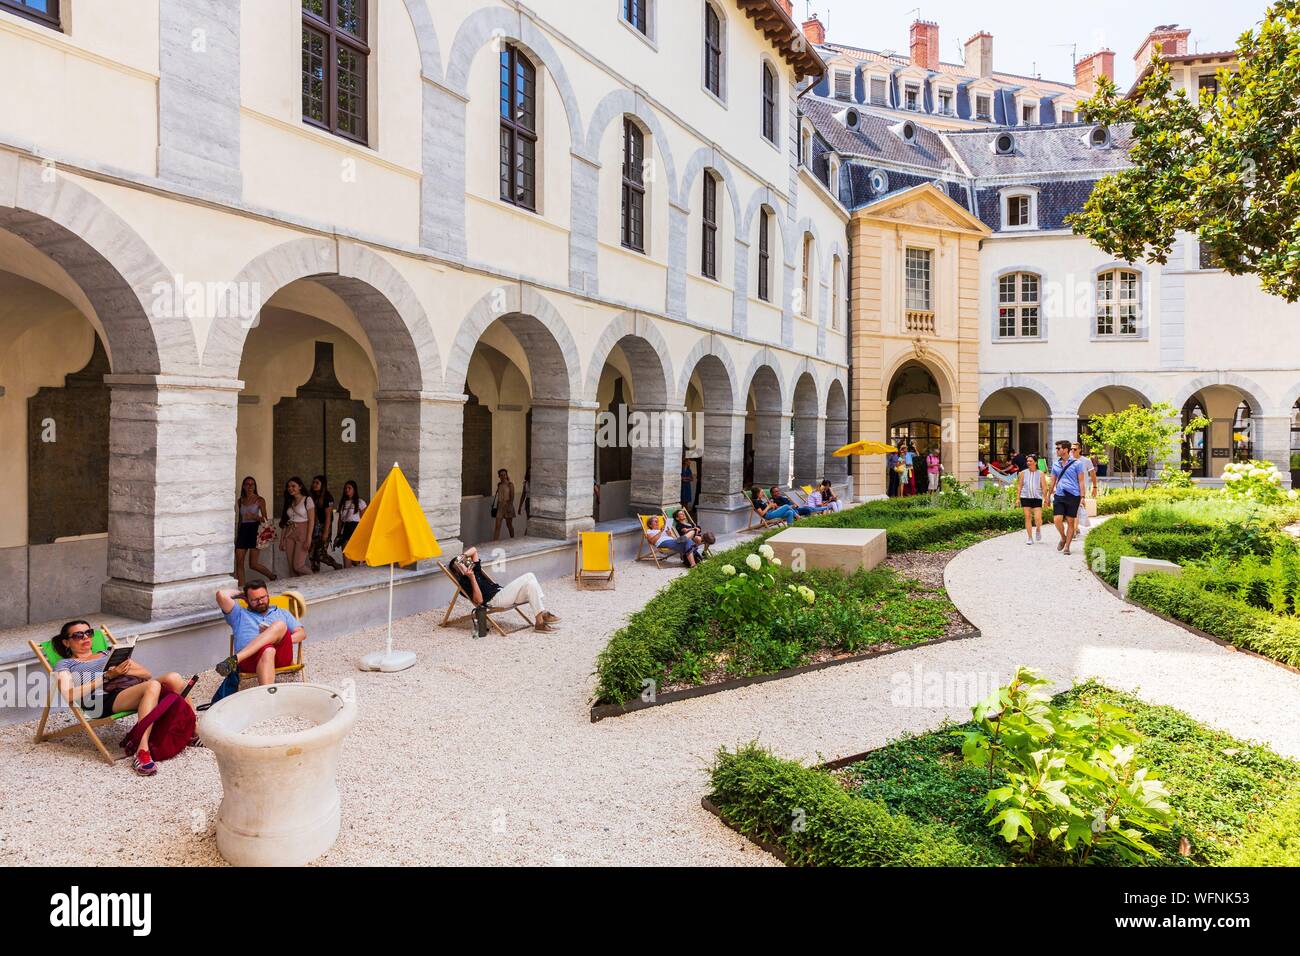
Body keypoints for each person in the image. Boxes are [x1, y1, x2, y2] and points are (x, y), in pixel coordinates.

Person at [52, 620, 197, 776]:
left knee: (174, 677)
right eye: (78, 635)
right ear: (66, 642)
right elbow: (68, 694)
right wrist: (108, 676)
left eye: (89, 633)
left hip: (130, 690)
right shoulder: (66, 664)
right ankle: (142, 751)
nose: (85, 637)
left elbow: (146, 674)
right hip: (101, 701)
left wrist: (124, 669)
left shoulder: (108, 653)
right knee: (152, 686)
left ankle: (194, 732)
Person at [214, 581, 308, 686]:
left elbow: (301, 634)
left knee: (280, 625)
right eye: (254, 599)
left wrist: (276, 638)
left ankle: (234, 660)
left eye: (263, 597)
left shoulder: (282, 612)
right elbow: (221, 595)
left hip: (280, 657)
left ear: (268, 595)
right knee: (268, 649)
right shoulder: (238, 614)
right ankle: (267, 697)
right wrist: (241, 594)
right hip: (249, 661)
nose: (260, 602)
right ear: (246, 600)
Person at [449, 547, 559, 631]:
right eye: (461, 564)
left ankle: (540, 620)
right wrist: (472, 578)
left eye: (464, 561)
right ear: (457, 570)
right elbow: (479, 601)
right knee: (529, 576)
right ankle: (542, 617)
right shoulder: (464, 582)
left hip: (503, 593)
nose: (465, 563)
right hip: (496, 600)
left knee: (531, 585)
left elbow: (474, 550)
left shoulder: (475, 570)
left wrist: (462, 556)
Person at [234, 476, 276, 588]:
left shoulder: (260, 500)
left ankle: (272, 576)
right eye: (247, 484)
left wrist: (254, 516)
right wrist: (238, 535)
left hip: (254, 530)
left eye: (252, 484)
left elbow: (265, 519)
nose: (250, 486)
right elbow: (240, 519)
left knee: (253, 564)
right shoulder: (240, 501)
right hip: (243, 531)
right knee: (239, 562)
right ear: (243, 486)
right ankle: (242, 588)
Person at [1049, 440, 1086, 556]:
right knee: (1057, 520)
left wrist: (1083, 497)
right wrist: (1047, 495)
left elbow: (1081, 481)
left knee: (1070, 522)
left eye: (1058, 448)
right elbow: (1052, 481)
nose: (1057, 451)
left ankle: (1067, 547)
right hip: (1059, 494)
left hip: (1073, 496)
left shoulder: (1077, 463)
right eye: (1056, 448)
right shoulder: (1055, 464)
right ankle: (1063, 537)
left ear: (1065, 450)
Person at [277, 476, 314, 577]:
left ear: (300, 487)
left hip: (303, 532)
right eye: (288, 486)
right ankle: (296, 590)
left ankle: (314, 578)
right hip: (289, 533)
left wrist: (309, 539)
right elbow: (285, 522)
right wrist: (282, 540)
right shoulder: (289, 501)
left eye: (293, 486)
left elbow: (311, 521)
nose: (290, 488)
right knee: (291, 568)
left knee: (298, 566)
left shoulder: (308, 500)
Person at [309, 475, 340, 573]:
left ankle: (335, 564)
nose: (314, 485)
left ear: (323, 485)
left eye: (317, 483)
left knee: (320, 553)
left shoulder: (327, 497)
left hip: (324, 527)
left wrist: (326, 533)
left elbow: (328, 517)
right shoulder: (312, 497)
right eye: (313, 482)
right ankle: (315, 572)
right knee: (312, 553)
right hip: (314, 527)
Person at [336, 479, 367, 567]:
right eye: (345, 488)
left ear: (354, 490)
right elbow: (340, 520)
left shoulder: (360, 502)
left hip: (355, 529)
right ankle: (347, 571)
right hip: (345, 530)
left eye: (349, 488)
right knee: (346, 556)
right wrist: (338, 533)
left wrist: (363, 535)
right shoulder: (342, 503)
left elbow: (364, 520)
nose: (347, 490)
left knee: (356, 560)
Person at [1016, 456, 1046, 545]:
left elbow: (1044, 487)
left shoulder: (1040, 473)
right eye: (1027, 461)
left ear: (1035, 462)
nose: (1028, 462)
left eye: (1030, 461)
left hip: (1037, 498)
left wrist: (1045, 498)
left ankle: (1038, 529)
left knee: (1038, 518)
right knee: (1028, 517)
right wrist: (1018, 498)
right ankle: (1029, 537)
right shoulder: (1022, 473)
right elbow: (1019, 486)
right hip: (1025, 497)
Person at [1072, 443, 1099, 531]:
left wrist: (1094, 487)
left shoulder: (1086, 461)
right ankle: (1076, 527)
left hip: (1081, 488)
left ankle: (1075, 529)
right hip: (1070, 488)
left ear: (1080, 450)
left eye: (1075, 449)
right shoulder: (1068, 460)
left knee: (1077, 507)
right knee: (1073, 508)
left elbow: (1093, 474)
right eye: (1071, 449)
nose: (1072, 451)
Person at [492, 469, 516, 540]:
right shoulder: (499, 485)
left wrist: (509, 506)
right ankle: (495, 542)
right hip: (500, 507)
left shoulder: (510, 484)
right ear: (499, 476)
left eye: (504, 474)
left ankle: (512, 538)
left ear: (506, 475)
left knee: (509, 525)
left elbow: (512, 497)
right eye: (501, 475)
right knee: (497, 525)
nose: (503, 476)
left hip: (508, 506)